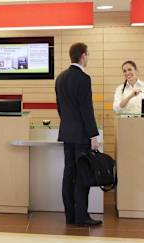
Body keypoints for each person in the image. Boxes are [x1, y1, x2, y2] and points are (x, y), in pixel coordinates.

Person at [55, 42, 101, 227]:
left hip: (67, 133)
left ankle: (70, 215)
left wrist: (68, 124)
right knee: (82, 175)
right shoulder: (83, 78)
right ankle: (81, 216)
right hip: (81, 136)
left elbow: (60, 108)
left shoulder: (60, 78)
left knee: (68, 174)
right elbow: (86, 110)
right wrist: (93, 135)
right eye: (87, 55)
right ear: (83, 56)